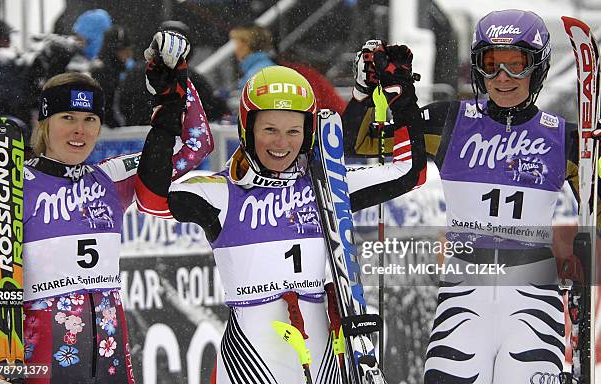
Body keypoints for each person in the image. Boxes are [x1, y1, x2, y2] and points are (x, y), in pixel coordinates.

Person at [135, 61, 426, 382]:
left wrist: (399, 96)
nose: (281, 144)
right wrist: (169, 107)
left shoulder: (327, 187)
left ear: (308, 133)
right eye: (269, 130)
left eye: (293, 131)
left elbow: (409, 173)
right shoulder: (221, 193)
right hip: (249, 362)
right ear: (248, 128)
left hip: (324, 358)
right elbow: (151, 198)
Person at [343, 9, 578, 383]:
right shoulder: (448, 121)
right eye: (491, 63)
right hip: (464, 299)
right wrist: (364, 93)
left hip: (535, 302)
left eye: (517, 64)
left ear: (539, 68)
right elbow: (358, 143)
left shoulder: (565, 139)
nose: (503, 78)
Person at [22, 28, 211, 383]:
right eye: (68, 118)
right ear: (44, 123)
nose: (80, 130)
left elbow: (195, 145)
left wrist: (175, 84)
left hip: (110, 361)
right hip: (39, 366)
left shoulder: (110, 178)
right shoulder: (12, 185)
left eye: (90, 119)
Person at [229, 24, 276, 91]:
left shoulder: (259, 73)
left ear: (246, 44)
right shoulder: (260, 68)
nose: (234, 49)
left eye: (235, 43)